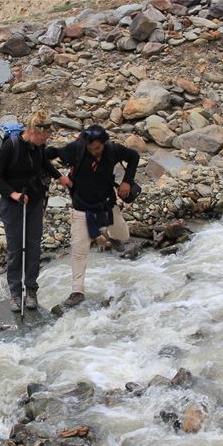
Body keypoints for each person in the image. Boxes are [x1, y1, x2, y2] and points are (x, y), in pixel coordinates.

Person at [46, 124, 140, 308]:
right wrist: (58, 175)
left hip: (106, 203)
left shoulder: (113, 150)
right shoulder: (76, 149)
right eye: (91, 148)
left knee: (123, 237)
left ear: (104, 143)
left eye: (97, 148)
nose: (94, 152)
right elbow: (50, 155)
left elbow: (134, 156)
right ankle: (77, 291)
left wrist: (127, 181)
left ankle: (105, 235)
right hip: (81, 206)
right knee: (79, 250)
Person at [0, 111, 72, 312]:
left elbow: (44, 162)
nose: (44, 141)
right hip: (13, 204)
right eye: (42, 137)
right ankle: (15, 293)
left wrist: (59, 177)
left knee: (33, 246)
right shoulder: (11, 146)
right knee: (15, 248)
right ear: (31, 131)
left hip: (34, 200)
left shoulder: (39, 145)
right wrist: (14, 195)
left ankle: (31, 290)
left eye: (46, 138)